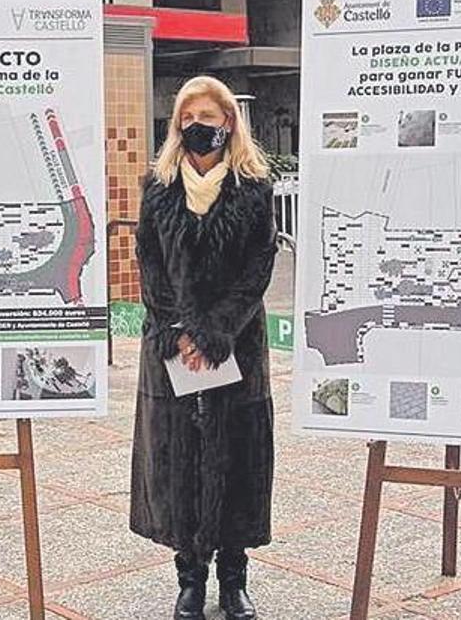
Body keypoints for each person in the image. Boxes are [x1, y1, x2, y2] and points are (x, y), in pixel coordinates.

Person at [129, 75, 277, 620]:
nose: (196, 128)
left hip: (236, 344)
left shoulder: (254, 188)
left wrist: (216, 333)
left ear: (229, 123)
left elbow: (257, 269)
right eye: (186, 119)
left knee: (237, 458)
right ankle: (188, 578)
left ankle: (234, 580)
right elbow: (149, 264)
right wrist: (182, 334)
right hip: (171, 346)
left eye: (206, 119)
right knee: (180, 462)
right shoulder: (158, 185)